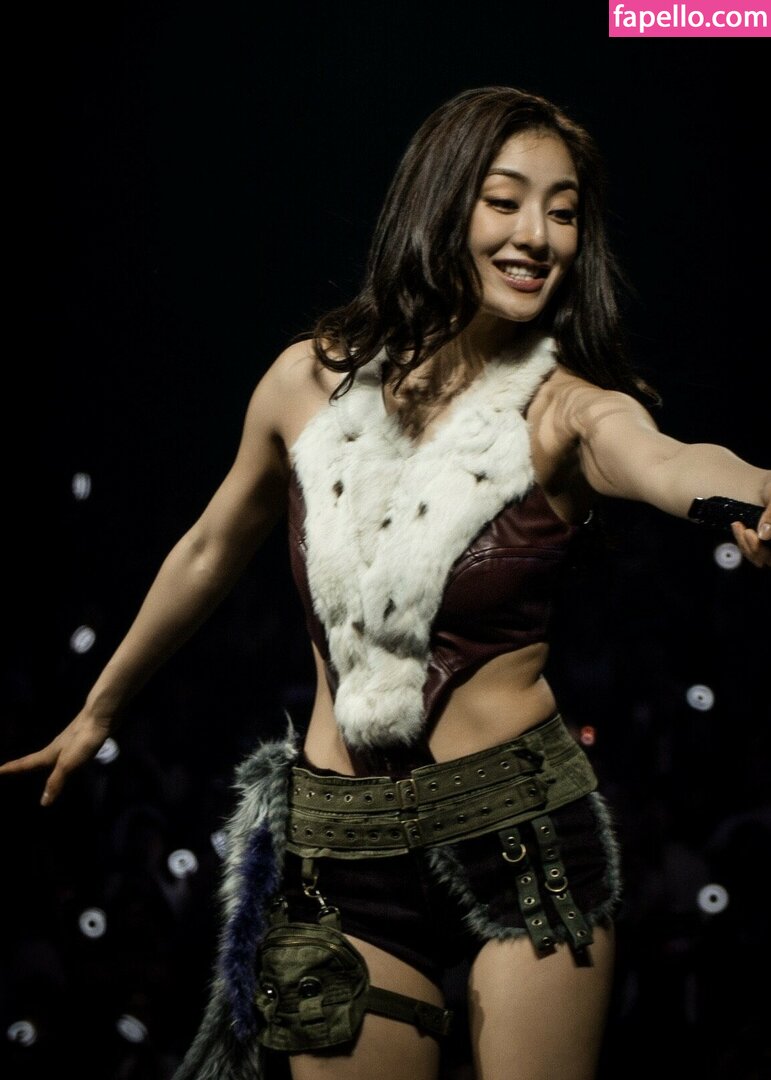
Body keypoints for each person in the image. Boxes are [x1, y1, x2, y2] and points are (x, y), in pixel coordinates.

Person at [1, 85, 769, 1080]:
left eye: (564, 211)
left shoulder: (568, 411)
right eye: (505, 200)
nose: (537, 235)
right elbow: (207, 549)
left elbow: (667, 460)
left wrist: (753, 490)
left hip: (523, 838)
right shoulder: (305, 382)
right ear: (440, 204)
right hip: (339, 848)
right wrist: (99, 710)